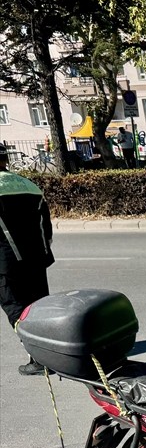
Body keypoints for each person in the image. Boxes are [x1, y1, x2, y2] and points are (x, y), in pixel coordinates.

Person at [0, 148, 54, 375]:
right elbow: (47, 227)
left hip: (5, 262)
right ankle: (52, 353)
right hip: (36, 258)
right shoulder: (29, 186)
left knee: (15, 308)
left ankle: (40, 358)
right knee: (39, 307)